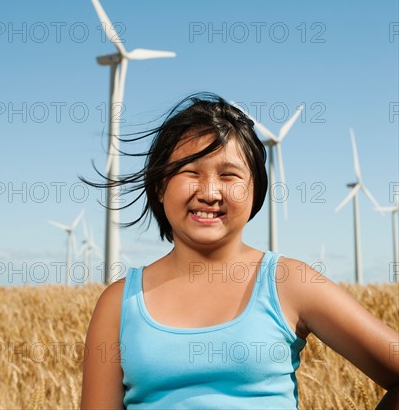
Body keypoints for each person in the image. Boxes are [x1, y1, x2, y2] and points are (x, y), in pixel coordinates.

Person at [80, 93, 398, 410]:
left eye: (229, 175)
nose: (209, 192)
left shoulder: (290, 282)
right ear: (161, 186)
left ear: (255, 188)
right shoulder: (119, 304)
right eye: (190, 172)